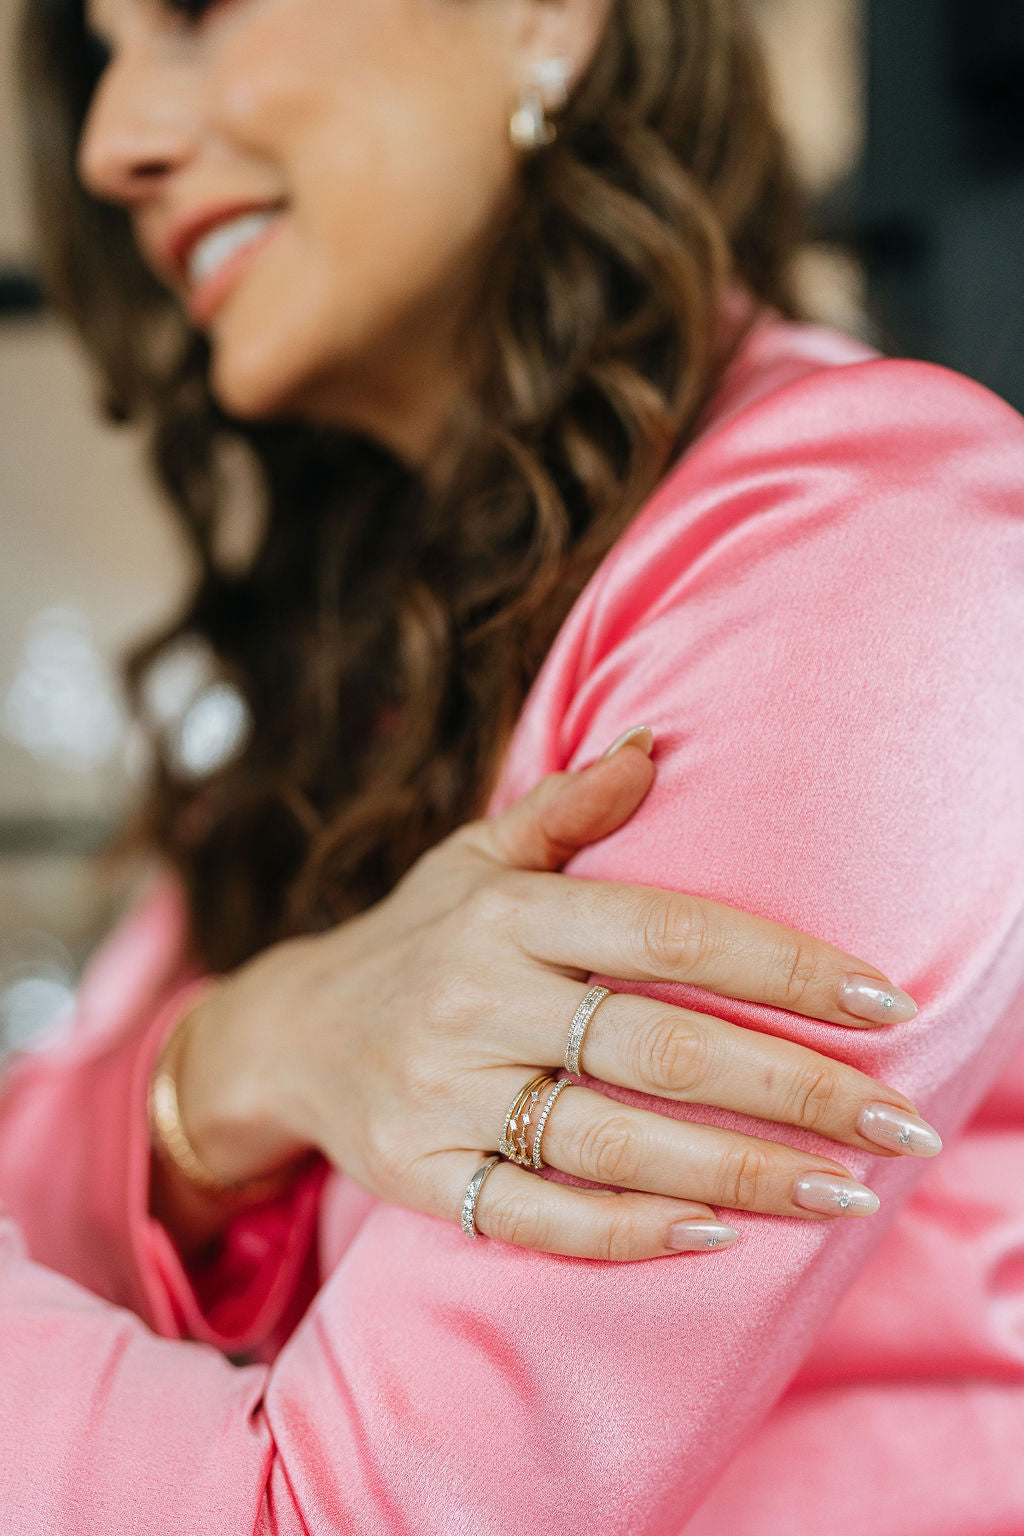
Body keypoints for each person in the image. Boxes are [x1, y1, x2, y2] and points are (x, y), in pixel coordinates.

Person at [2, 0, 1023, 1530]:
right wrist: (251, 1049)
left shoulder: (862, 547)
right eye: (100, 58)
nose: (111, 145)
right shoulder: (375, 667)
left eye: (195, 12)